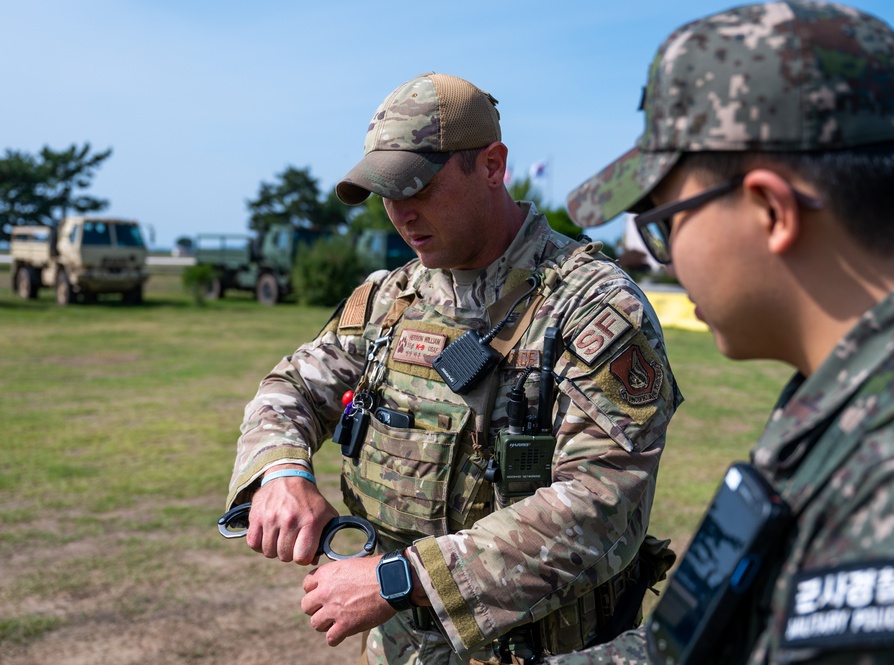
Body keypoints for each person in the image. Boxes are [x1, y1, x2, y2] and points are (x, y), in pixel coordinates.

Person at [551, 1, 894, 663]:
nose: (665, 255)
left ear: (769, 209)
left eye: (664, 222)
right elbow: (688, 646)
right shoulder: (857, 396)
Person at [225, 72, 682, 664]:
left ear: (493, 166)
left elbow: (602, 507)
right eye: (385, 193)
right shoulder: (391, 299)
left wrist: (401, 580)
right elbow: (290, 388)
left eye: (417, 187)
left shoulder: (593, 306)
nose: (400, 213)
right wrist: (282, 471)